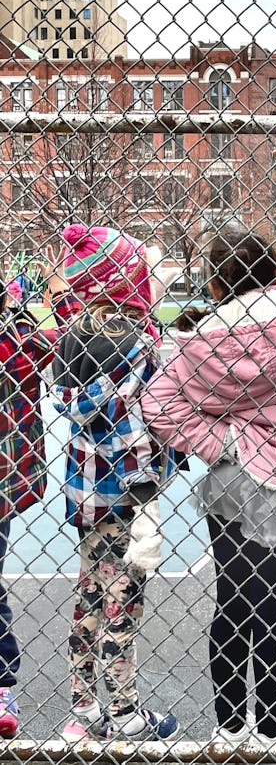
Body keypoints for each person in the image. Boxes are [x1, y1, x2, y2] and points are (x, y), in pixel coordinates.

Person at [143, 135, 276, 748]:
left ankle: (230, 727)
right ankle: (273, 729)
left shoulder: (199, 343)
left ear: (219, 282)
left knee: (233, 601)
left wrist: (220, 442)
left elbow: (158, 404)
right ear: (273, 270)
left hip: (233, 477)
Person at [50, 225, 180, 742]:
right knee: (121, 605)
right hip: (126, 498)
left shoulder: (75, 340)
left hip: (86, 494)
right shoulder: (135, 349)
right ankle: (125, 712)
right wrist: (147, 497)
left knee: (87, 599)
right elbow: (132, 430)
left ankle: (82, 710)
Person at [0, 263, 79, 738]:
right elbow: (74, 339)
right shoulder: (20, 341)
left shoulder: (18, 341)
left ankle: (2, 683)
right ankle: (1, 683)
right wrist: (60, 292)